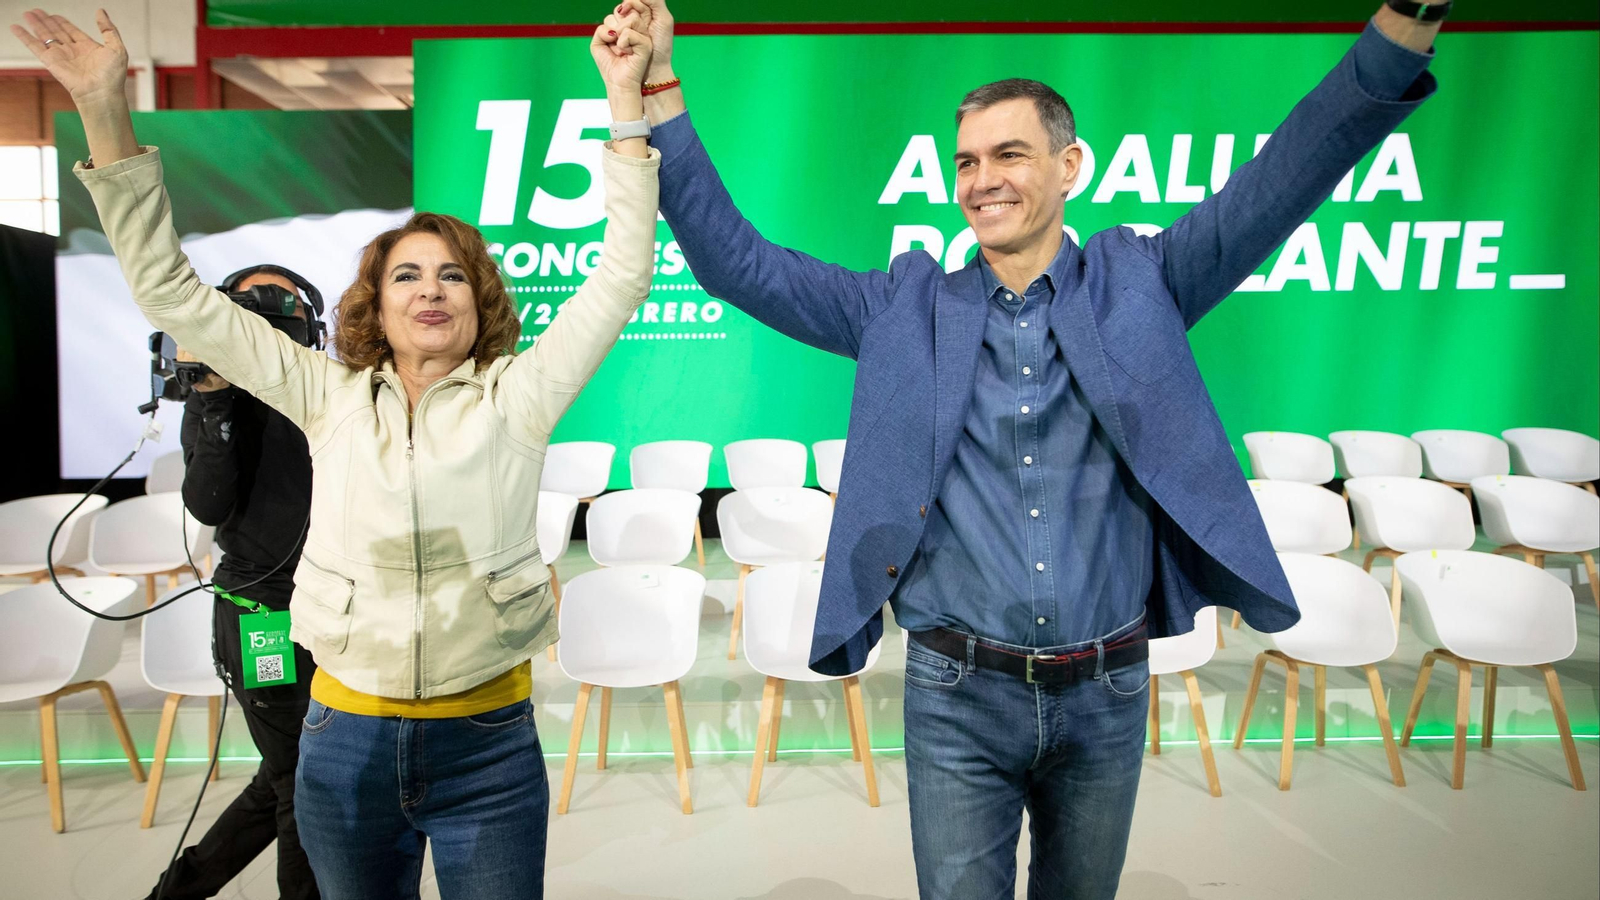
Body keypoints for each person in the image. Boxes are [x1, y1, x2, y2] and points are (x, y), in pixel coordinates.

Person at [615, 0, 1445, 896]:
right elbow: (737, 263)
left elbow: (1292, 169)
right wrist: (656, 87)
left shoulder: (1148, 282)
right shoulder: (904, 308)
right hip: (955, 696)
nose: (981, 180)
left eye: (1009, 154)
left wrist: (1409, 18)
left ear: (1069, 165)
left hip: (1110, 688)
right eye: (966, 161)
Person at [12, 4, 660, 898]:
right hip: (343, 740)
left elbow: (624, 271)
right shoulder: (327, 395)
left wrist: (624, 96)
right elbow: (170, 290)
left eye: (451, 274)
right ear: (375, 306)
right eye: (407, 274)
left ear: (480, 302)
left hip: (490, 747)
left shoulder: (521, 394)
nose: (430, 288)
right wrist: (101, 106)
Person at [143, 267, 321, 900]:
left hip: (331, 615)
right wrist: (215, 399)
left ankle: (178, 891)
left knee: (288, 773)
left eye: (282, 308)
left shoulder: (327, 393)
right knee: (302, 779)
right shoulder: (211, 404)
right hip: (258, 618)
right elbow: (209, 505)